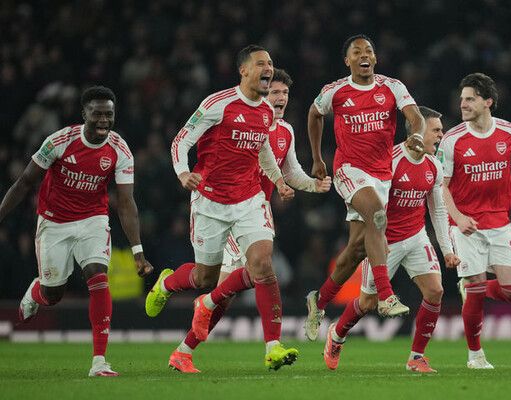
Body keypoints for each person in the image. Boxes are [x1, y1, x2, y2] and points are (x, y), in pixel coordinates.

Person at [166, 68, 332, 373]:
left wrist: (312, 185)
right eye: (275, 92)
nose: (280, 98)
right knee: (216, 283)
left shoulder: (286, 131)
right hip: (226, 205)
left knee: (259, 270)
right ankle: (176, 296)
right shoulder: (239, 120)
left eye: (284, 93)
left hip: (255, 209)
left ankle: (260, 346)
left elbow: (291, 171)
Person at [0, 86, 154, 377]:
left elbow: (125, 202)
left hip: (93, 219)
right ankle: (36, 292)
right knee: (53, 294)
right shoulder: (59, 141)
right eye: (97, 114)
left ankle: (99, 361)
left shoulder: (120, 150)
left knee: (98, 276)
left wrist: (138, 251)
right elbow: (24, 182)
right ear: (84, 114)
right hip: (54, 222)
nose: (104, 120)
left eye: (109, 114)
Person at [304, 34, 427, 340]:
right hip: (348, 170)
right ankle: (386, 295)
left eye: (368, 51)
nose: (364, 55)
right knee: (376, 215)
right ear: (347, 61)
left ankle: (318, 302)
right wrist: (317, 158)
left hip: (381, 175)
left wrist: (416, 135)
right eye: (357, 51)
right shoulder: (335, 91)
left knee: (357, 250)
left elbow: (415, 117)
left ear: (375, 58)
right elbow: (314, 114)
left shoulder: (392, 87)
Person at [321, 106, 460, 372]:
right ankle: (336, 335)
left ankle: (416, 357)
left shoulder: (434, 165)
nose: (441, 135)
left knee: (435, 291)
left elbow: (438, 209)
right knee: (368, 303)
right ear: (418, 130)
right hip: (385, 242)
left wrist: (447, 250)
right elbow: (369, 206)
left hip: (416, 236)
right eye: (436, 130)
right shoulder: (389, 161)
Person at [438, 73, 511, 369]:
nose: (462, 104)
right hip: (465, 227)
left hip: (500, 224)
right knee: (477, 287)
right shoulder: (452, 140)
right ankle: (475, 355)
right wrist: (458, 217)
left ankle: (470, 289)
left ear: (488, 102)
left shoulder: (510, 133)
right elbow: (441, 186)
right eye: (462, 99)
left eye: (470, 99)